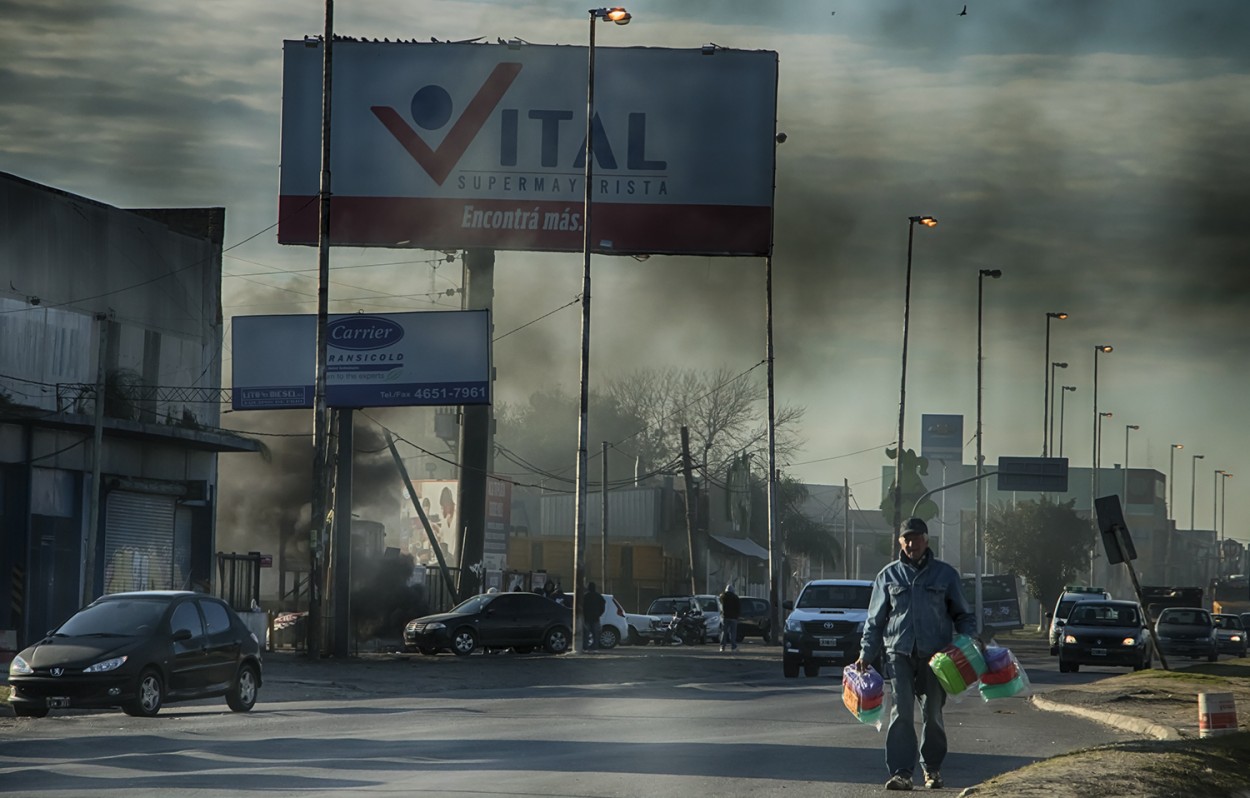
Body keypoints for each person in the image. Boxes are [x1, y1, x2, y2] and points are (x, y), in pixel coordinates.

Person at [855, 517, 975, 792]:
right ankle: (902, 773)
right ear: (900, 542)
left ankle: (932, 769)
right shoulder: (888, 576)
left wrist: (969, 642)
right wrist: (866, 654)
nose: (912, 543)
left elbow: (963, 615)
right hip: (899, 654)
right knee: (902, 714)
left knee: (933, 714)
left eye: (917, 538)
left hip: (937, 657)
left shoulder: (945, 575)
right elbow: (875, 621)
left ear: (926, 540)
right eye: (907, 539)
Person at [581, 581, 606, 651]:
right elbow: (603, 607)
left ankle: (585, 647)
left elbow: (581, 607)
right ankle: (595, 647)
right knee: (595, 634)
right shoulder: (599, 596)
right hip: (596, 618)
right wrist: (599, 614)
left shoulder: (585, 596)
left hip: (587, 618)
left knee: (586, 634)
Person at [718, 583, 741, 652]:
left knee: (724, 632)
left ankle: (722, 647)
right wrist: (737, 616)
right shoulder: (735, 597)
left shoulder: (723, 597)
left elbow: (720, 604)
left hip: (725, 617)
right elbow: (738, 608)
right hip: (733, 617)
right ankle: (733, 647)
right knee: (733, 633)